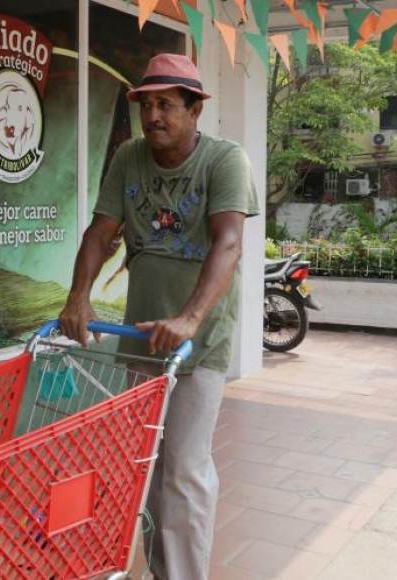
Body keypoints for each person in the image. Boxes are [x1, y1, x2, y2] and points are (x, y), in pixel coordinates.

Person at [58, 53, 259, 579]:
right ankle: (161, 571)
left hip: (200, 342)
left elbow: (229, 242)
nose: (153, 117)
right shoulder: (129, 157)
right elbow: (100, 233)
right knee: (145, 465)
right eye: (146, 106)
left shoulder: (225, 160)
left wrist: (190, 318)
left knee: (184, 470)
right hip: (140, 336)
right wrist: (78, 298)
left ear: (195, 110)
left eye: (166, 105)